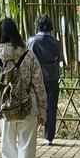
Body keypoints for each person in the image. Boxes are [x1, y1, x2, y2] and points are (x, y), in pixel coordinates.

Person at [0, 17, 47, 158]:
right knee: (26, 154)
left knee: (7, 153)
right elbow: (38, 84)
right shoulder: (28, 54)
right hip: (27, 108)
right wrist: (43, 109)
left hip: (5, 110)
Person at [27, 15, 62, 144]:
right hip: (52, 78)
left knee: (33, 106)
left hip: (35, 79)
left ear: (38, 26)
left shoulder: (32, 41)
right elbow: (59, 60)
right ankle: (49, 137)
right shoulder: (56, 42)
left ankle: (32, 134)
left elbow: (27, 59)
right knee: (51, 108)